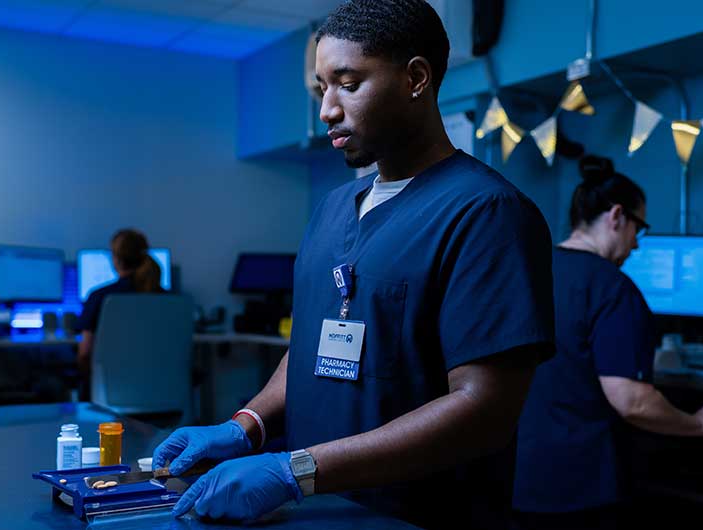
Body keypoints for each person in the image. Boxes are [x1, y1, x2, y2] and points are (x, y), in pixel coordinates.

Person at [152, 1, 556, 528]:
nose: (327, 110)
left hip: (412, 515)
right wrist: (248, 424)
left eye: (348, 83)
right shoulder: (335, 209)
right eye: (323, 88)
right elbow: (310, 344)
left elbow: (484, 411)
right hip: (311, 511)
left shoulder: (485, 213)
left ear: (415, 77)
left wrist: (295, 471)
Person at [512, 156, 703, 530]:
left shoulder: (529, 270)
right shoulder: (612, 288)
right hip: (580, 491)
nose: (637, 244)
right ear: (617, 216)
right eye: (640, 228)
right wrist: (700, 423)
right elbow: (632, 402)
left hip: (517, 479)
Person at [76, 228, 162, 398]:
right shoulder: (170, 300)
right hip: (161, 392)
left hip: (110, 396)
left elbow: (85, 353)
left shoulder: (100, 297)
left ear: (115, 259)